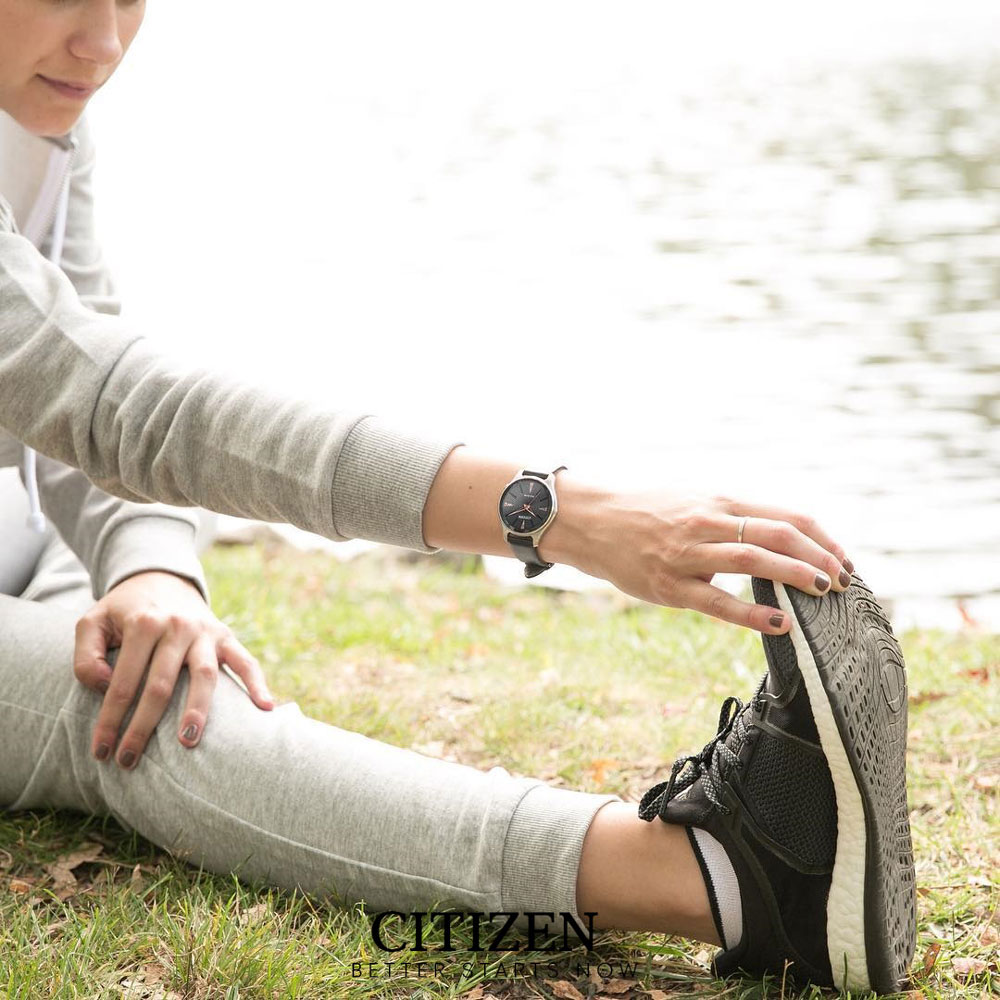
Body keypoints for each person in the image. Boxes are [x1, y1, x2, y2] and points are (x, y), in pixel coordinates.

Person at [0, 0, 916, 992]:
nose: (103, 42)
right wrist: (552, 512)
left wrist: (151, 566)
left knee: (154, 660)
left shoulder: (42, 109)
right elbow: (121, 405)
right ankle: (717, 881)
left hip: (24, 544)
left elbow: (64, 379)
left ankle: (759, 877)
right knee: (142, 713)